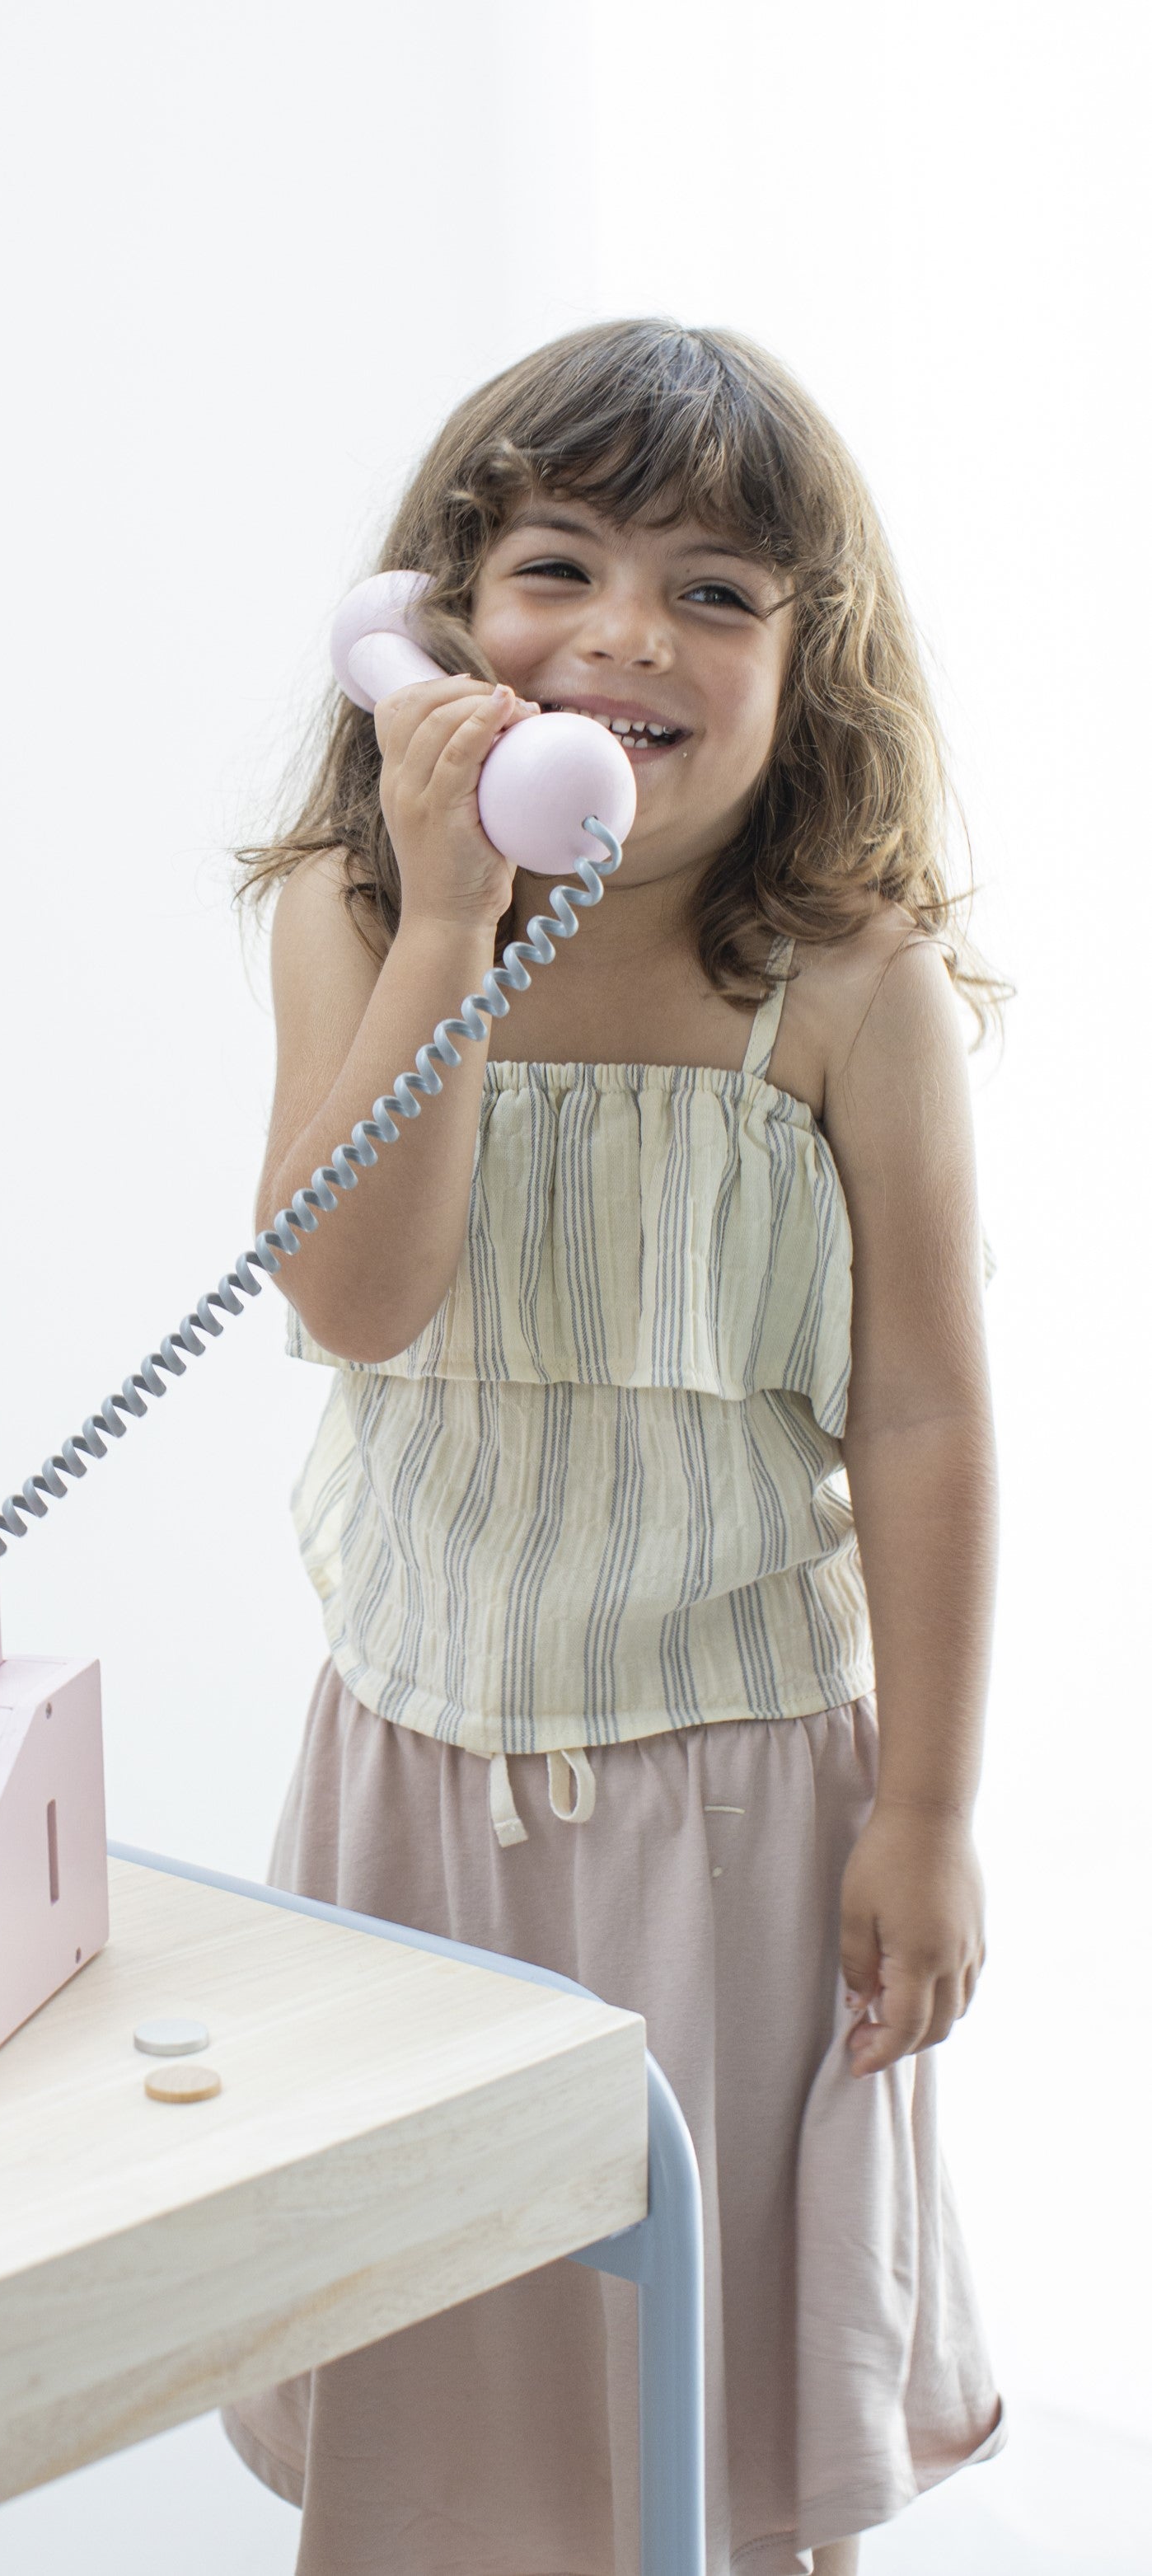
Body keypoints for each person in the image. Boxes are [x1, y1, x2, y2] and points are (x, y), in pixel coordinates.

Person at [224, 320, 1005, 2576]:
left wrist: (929, 1815)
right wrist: (450, 919)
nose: (623, 638)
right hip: (408, 1781)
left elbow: (930, 1407)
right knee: (431, 2368)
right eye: (556, 564)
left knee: (715, 2414)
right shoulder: (352, 918)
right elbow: (348, 1300)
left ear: (801, 660)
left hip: (744, 1792)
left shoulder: (847, 990)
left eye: (714, 594)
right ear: (434, 618)